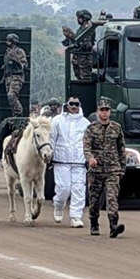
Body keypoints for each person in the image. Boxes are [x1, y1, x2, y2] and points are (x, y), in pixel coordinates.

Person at [83, 98, 126, 237]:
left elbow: (121, 149)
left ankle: (113, 224)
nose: (104, 113)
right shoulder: (91, 129)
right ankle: (94, 223)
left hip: (113, 169)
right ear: (97, 112)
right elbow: (86, 147)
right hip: (96, 171)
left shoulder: (116, 128)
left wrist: (122, 168)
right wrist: (90, 159)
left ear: (110, 112)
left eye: (107, 110)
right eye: (102, 110)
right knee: (94, 201)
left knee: (112, 198)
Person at [51, 95, 91, 227]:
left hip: (79, 162)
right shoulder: (57, 121)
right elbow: (51, 138)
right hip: (61, 160)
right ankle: (58, 206)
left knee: (78, 189)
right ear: (67, 105)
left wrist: (89, 157)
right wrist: (49, 154)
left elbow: (89, 142)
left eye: (76, 104)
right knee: (63, 188)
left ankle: (76, 216)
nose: (74, 107)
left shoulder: (85, 123)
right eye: (71, 104)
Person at [3, 33, 29, 116]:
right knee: (10, 98)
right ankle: (15, 114)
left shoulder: (19, 51)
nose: (7, 43)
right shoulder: (7, 53)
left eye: (9, 41)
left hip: (16, 77)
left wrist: (14, 57)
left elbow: (23, 65)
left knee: (12, 95)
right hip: (8, 77)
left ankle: (19, 112)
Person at [70, 9, 96, 80]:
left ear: (84, 18)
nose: (77, 19)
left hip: (84, 58)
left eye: (79, 18)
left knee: (85, 78)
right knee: (79, 77)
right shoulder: (81, 28)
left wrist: (78, 44)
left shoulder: (88, 29)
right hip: (78, 57)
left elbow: (87, 45)